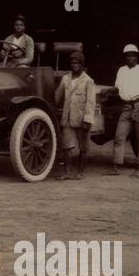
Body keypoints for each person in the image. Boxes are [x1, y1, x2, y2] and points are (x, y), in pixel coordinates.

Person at [110, 43, 139, 178]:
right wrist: (106, 90)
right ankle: (115, 168)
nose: (130, 58)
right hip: (126, 107)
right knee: (119, 137)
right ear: (125, 57)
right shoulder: (121, 70)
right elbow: (118, 88)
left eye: (133, 55)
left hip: (138, 105)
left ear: (137, 57)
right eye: (128, 55)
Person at [53, 52, 96, 180]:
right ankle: (67, 172)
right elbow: (57, 95)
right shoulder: (65, 79)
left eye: (77, 63)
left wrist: (87, 120)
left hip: (81, 118)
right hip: (67, 118)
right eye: (72, 63)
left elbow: (91, 102)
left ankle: (80, 172)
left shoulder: (88, 81)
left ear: (82, 65)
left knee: (83, 147)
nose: (74, 65)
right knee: (66, 146)